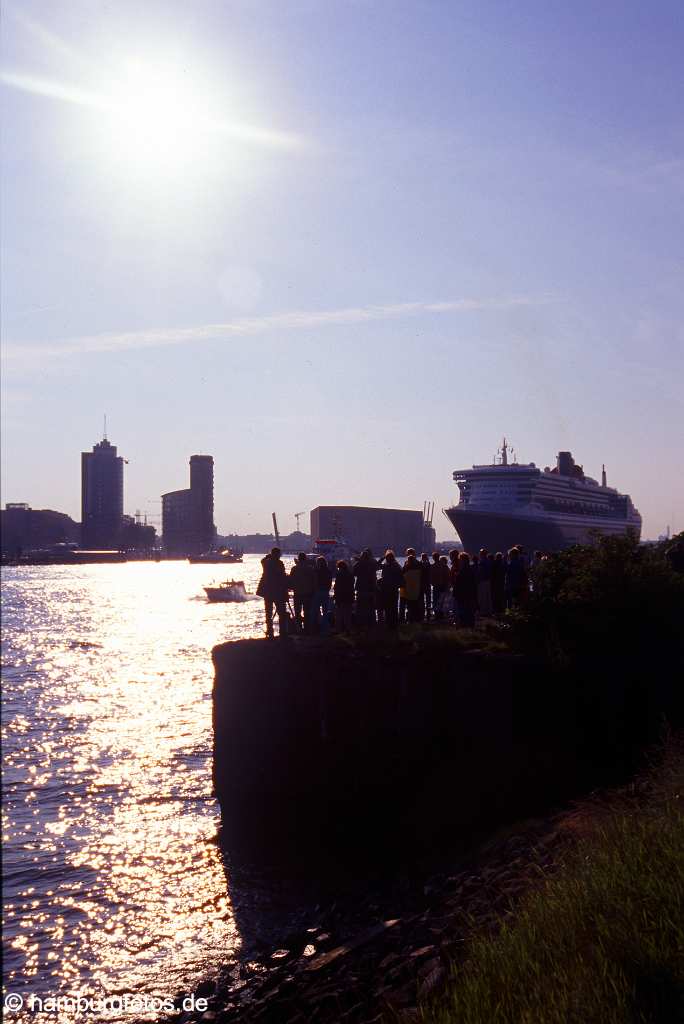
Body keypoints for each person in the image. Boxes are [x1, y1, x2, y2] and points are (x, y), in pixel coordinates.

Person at [257, 547, 289, 639]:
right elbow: (282, 577)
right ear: (278, 555)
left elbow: (262, 560)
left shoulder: (266, 563)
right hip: (278, 591)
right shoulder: (279, 563)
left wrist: (268, 556)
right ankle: (283, 632)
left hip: (267, 591)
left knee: (268, 613)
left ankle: (270, 632)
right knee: (281, 613)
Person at [289, 552, 317, 633]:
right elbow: (314, 581)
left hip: (297, 593)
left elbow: (291, 580)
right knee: (307, 612)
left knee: (297, 612)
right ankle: (307, 628)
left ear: (298, 558)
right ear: (305, 559)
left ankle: (299, 628)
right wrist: (313, 590)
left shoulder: (294, 568)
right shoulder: (310, 569)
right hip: (308, 593)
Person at [352, 548, 380, 627]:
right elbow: (378, 566)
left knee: (360, 607)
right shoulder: (372, 563)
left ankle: (360, 624)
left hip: (361, 588)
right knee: (371, 608)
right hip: (371, 588)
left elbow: (354, 573)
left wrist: (358, 561)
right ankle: (371, 624)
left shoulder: (358, 564)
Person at [379, 550, 404, 629]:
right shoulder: (397, 566)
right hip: (394, 589)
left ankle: (389, 623)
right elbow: (401, 577)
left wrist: (382, 558)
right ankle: (394, 623)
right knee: (394, 607)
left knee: (387, 607)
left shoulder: (386, 565)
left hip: (386, 589)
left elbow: (376, 565)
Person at [453, 551, 477, 627]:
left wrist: (455, 593)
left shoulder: (461, 572)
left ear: (462, 560)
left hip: (462, 595)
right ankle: (470, 625)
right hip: (469, 594)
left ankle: (463, 625)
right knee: (469, 611)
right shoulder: (471, 570)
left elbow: (458, 584)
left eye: (460, 560)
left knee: (462, 611)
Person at [312, 555, 333, 635]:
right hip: (325, 591)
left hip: (317, 592)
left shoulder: (316, 571)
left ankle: (314, 628)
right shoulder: (328, 571)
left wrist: (315, 589)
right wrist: (327, 588)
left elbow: (315, 581)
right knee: (325, 611)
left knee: (315, 611)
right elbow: (330, 582)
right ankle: (324, 630)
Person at [333, 559, 354, 633]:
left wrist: (335, 596)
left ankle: (338, 630)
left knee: (339, 614)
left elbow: (337, 587)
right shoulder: (350, 574)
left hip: (341, 597)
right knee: (347, 615)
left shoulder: (339, 575)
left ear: (340, 567)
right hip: (349, 596)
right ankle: (348, 629)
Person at [402, 549, 424, 623]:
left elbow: (403, 576)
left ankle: (410, 618)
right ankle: (417, 618)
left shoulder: (406, 565)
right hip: (416, 588)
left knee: (410, 604)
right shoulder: (419, 564)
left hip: (409, 588)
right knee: (415, 604)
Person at [430, 551, 448, 620]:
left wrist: (432, 582)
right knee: (441, 601)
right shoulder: (443, 566)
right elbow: (446, 575)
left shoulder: (432, 566)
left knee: (436, 600)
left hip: (436, 585)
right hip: (442, 585)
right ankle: (441, 614)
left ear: (433, 558)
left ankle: (437, 615)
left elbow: (431, 577)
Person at [476, 547, 493, 617]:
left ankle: (483, 611)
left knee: (482, 597)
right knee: (487, 597)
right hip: (488, 581)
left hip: (482, 581)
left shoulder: (482, 562)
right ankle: (488, 611)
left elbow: (480, 572)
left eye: (480, 553)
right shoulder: (489, 561)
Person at [420, 553, 432, 619]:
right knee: (428, 600)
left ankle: (422, 614)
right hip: (427, 584)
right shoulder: (429, 565)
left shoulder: (420, 565)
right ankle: (428, 614)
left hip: (421, 584)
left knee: (422, 600)